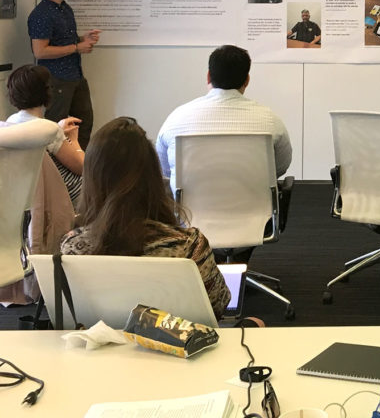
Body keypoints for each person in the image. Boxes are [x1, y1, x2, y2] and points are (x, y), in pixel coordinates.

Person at [60, 117, 230, 318]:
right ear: (153, 177)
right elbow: (219, 304)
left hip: (100, 345)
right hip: (174, 346)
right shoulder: (189, 246)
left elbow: (67, 313)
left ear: (92, 180)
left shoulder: (71, 247)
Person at [155, 45, 292, 191]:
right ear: (247, 80)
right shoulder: (270, 120)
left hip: (189, 212)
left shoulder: (176, 119)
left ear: (208, 76)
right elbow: (280, 167)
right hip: (256, 211)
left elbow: (166, 168)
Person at [27, 0, 100, 148]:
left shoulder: (65, 9)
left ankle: (79, 167)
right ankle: (56, 172)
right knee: (55, 128)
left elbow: (63, 40)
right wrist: (77, 47)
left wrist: (84, 39)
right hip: (57, 80)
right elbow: (40, 51)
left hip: (76, 76)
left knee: (83, 124)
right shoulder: (41, 14)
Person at [5, 64, 87, 204]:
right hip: (68, 195)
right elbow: (82, 167)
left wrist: (59, 130)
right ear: (46, 92)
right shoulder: (50, 130)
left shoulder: (10, 123)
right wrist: (73, 140)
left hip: (32, 197)